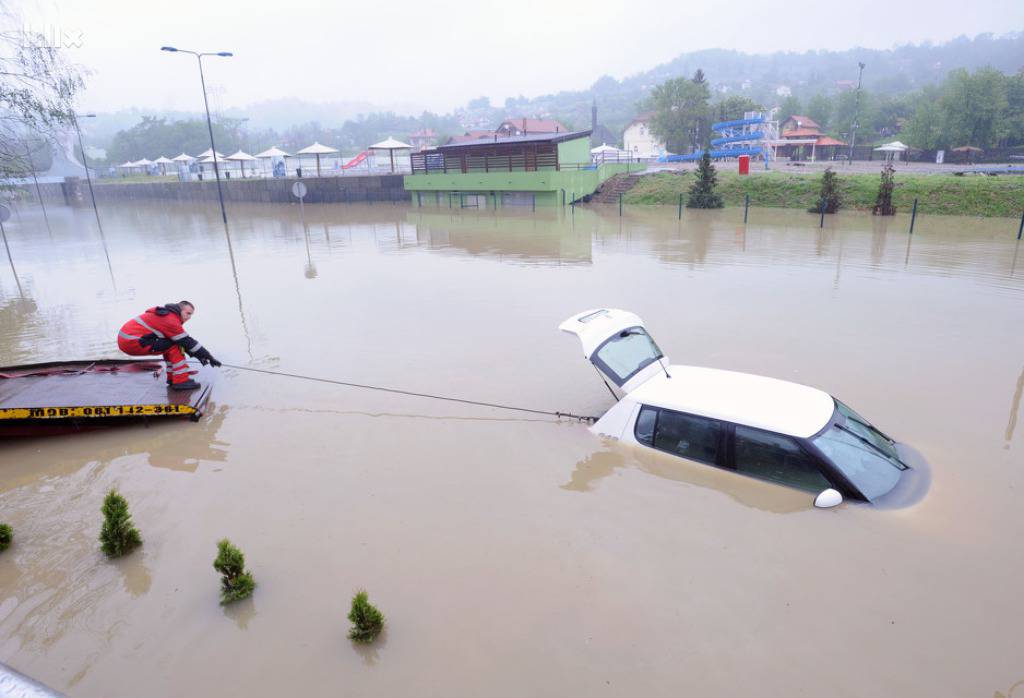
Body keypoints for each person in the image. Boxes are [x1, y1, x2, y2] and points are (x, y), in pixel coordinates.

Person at [117, 301, 221, 391]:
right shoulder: (170, 320)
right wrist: (209, 357)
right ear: (180, 310)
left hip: (129, 340)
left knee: (171, 344)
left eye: (191, 315)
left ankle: (173, 379)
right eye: (188, 313)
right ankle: (180, 381)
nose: (189, 317)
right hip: (132, 342)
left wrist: (200, 356)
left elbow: (185, 342)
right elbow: (187, 342)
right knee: (174, 346)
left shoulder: (168, 315)